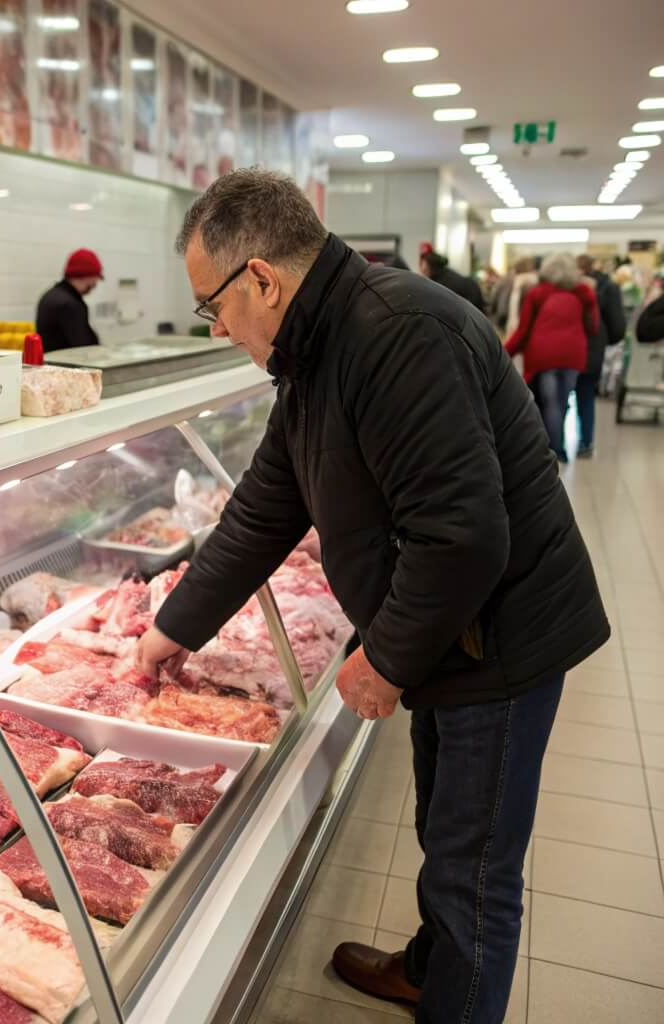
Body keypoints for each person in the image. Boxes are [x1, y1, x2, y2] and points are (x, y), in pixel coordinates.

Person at [134, 170, 608, 1024]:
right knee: (445, 830)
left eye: (214, 306)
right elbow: (266, 502)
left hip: (499, 642)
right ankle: (431, 969)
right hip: (453, 634)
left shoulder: (397, 337)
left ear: (263, 281)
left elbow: (463, 536)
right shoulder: (318, 348)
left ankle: (454, 995)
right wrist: (175, 625)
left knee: (476, 871)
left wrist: (384, 660)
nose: (219, 326)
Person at [506, 253, 599, 462]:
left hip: (544, 353)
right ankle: (560, 447)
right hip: (573, 354)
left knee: (550, 403)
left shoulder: (538, 294)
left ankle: (555, 449)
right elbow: (593, 327)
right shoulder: (583, 295)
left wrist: (504, 353)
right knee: (563, 401)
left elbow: (524, 330)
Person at [575, 255, 626, 456]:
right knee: (586, 395)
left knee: (557, 398)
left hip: (565, 349)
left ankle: (555, 445)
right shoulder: (608, 287)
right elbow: (617, 324)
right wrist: (607, 341)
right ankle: (586, 443)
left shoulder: (564, 286)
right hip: (594, 347)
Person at [35, 249, 104, 352]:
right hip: (67, 366)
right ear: (88, 276)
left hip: (50, 364)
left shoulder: (50, 295)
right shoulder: (70, 304)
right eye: (96, 278)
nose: (96, 283)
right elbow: (83, 348)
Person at [418, 249, 485, 313]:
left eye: (423, 266)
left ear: (431, 266)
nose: (421, 269)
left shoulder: (442, 283)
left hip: (470, 310)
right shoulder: (445, 274)